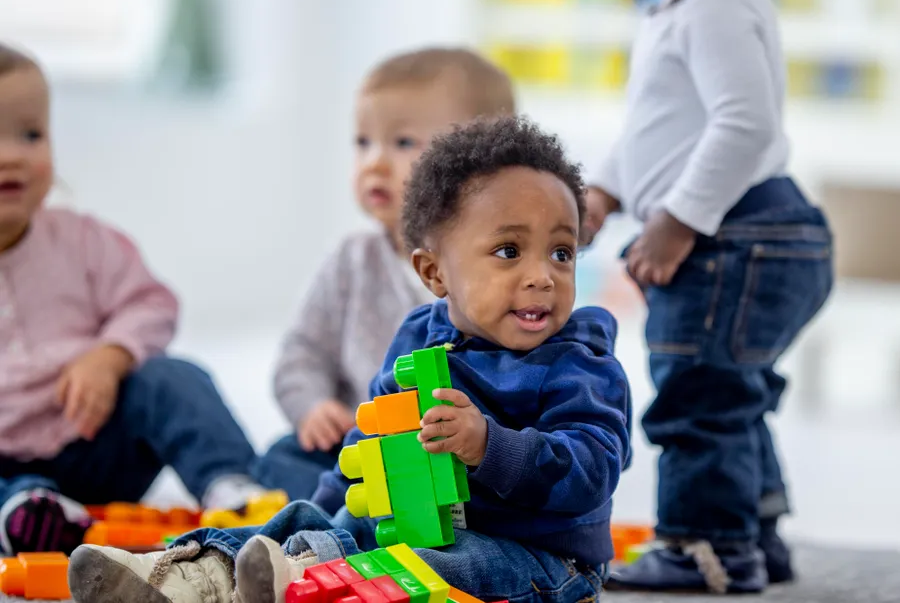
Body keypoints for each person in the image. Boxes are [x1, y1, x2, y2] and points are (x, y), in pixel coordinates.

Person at [68, 116, 633, 603]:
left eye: (562, 252)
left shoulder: (581, 363)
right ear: (435, 273)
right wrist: (327, 513)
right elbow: (369, 448)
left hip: (542, 561)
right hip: (414, 527)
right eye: (509, 251)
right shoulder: (419, 338)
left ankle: (306, 577)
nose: (542, 275)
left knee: (443, 565)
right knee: (307, 520)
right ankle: (192, 572)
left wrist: (490, 445)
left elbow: (592, 470)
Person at [583, 0, 834, 593]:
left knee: (698, 392)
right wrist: (605, 192)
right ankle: (754, 532)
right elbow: (653, 127)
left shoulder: (716, 5)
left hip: (734, 236)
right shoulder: (682, 7)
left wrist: (677, 219)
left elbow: (744, 123)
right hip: (758, 234)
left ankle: (706, 544)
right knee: (729, 391)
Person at [0, 43, 268, 557]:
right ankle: (26, 513)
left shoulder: (82, 241)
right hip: (8, 468)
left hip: (96, 443)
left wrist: (110, 355)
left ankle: (231, 485)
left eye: (32, 134)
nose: (15, 154)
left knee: (172, 377)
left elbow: (151, 303)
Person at [254, 48, 517, 501]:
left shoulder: (495, 265)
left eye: (402, 143)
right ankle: (354, 510)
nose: (374, 162)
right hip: (361, 449)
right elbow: (302, 352)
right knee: (280, 460)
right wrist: (314, 406)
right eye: (362, 143)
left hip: (452, 451)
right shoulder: (351, 261)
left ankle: (361, 515)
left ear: (481, 166)